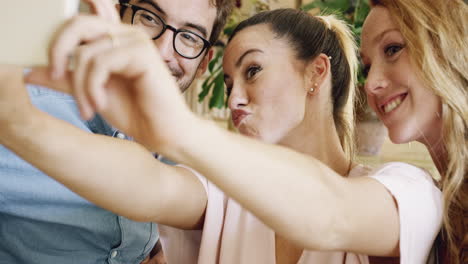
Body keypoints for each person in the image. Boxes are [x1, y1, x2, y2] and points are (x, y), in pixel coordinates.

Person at [1, 6, 443, 264]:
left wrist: (177, 129)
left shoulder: (407, 189)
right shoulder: (223, 193)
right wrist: (19, 121)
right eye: (229, 84)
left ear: (316, 72)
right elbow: (147, 183)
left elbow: (329, 213)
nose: (234, 100)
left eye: (253, 71)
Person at [0, 0, 233, 263]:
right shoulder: (19, 103)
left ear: (203, 63)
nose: (160, 51)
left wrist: (149, 246)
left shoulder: (178, 154)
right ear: (115, 15)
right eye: (149, 18)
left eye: (189, 37)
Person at [360, 1, 467, 263]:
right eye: (366, 67)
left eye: (393, 49)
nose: (372, 84)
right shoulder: (439, 204)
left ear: (446, 46)